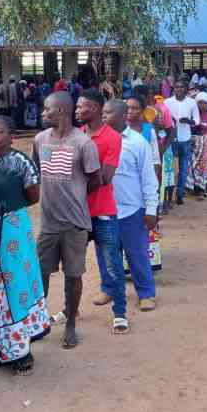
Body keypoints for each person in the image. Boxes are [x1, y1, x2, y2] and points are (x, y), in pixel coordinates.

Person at [0, 116, 50, 375]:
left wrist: (7, 214)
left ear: (11, 136)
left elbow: (33, 196)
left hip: (12, 229)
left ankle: (19, 352)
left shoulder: (20, 162)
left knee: (13, 287)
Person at [33, 92, 101, 349]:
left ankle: (71, 323)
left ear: (61, 111)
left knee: (73, 276)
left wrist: (74, 197)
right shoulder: (40, 140)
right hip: (48, 224)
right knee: (41, 274)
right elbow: (37, 172)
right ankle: (38, 321)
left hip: (75, 225)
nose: (42, 113)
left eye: (47, 109)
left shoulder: (83, 143)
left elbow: (95, 180)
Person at [76, 90, 128, 330]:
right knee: (73, 264)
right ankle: (70, 309)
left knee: (113, 264)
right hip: (77, 212)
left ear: (95, 109)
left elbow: (105, 178)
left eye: (82, 107)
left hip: (102, 211)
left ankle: (120, 313)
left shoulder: (112, 138)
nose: (77, 110)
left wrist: (72, 187)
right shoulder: (76, 136)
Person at [108, 99, 160, 316]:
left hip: (132, 209)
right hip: (106, 209)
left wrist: (151, 209)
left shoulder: (138, 142)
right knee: (108, 255)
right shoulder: (97, 141)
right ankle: (109, 289)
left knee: (137, 254)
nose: (103, 117)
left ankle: (146, 293)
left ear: (120, 117)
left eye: (107, 113)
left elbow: (149, 178)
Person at [164, 81, 199, 205]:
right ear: (174, 89)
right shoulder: (167, 102)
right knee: (169, 168)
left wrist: (189, 121)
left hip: (185, 138)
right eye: (177, 87)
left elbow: (197, 120)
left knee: (183, 168)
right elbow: (163, 118)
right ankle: (167, 196)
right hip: (171, 139)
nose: (179, 89)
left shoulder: (192, 102)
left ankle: (179, 194)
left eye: (182, 87)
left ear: (186, 89)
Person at [188, 92, 207, 198]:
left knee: (203, 165)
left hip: (205, 143)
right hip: (193, 142)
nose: (202, 105)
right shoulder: (192, 113)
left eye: (204, 103)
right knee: (192, 165)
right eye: (200, 103)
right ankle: (193, 187)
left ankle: (202, 188)